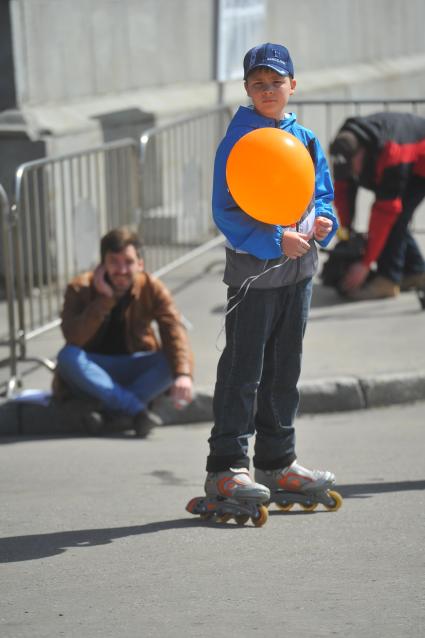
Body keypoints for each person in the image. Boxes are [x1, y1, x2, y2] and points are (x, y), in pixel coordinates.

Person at [192, 43, 339, 517]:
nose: (268, 90)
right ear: (247, 90)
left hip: (299, 276)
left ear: (292, 85)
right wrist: (277, 240)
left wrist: (323, 223)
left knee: (284, 373)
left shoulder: (306, 137)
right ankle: (227, 467)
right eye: (259, 83)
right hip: (255, 276)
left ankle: (278, 463)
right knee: (242, 371)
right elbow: (227, 211)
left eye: (277, 82)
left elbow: (320, 193)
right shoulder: (239, 141)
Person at [53, 227, 193, 436]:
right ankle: (135, 410)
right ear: (102, 265)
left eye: (128, 262)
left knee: (173, 360)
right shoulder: (79, 287)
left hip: (133, 367)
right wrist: (105, 299)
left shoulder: (152, 287)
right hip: (93, 369)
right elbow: (74, 337)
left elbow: (173, 327)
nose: (122, 270)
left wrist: (183, 374)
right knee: (67, 357)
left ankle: (110, 411)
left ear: (140, 264)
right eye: (114, 262)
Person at [329, 111, 425, 300]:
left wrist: (365, 264)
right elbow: (343, 190)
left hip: (419, 168)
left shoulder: (392, 152)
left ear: (362, 152)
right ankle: (416, 272)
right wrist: (348, 231)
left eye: (352, 166)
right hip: (397, 158)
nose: (349, 172)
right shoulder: (344, 148)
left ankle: (387, 281)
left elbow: (385, 213)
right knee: (393, 222)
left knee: (395, 220)